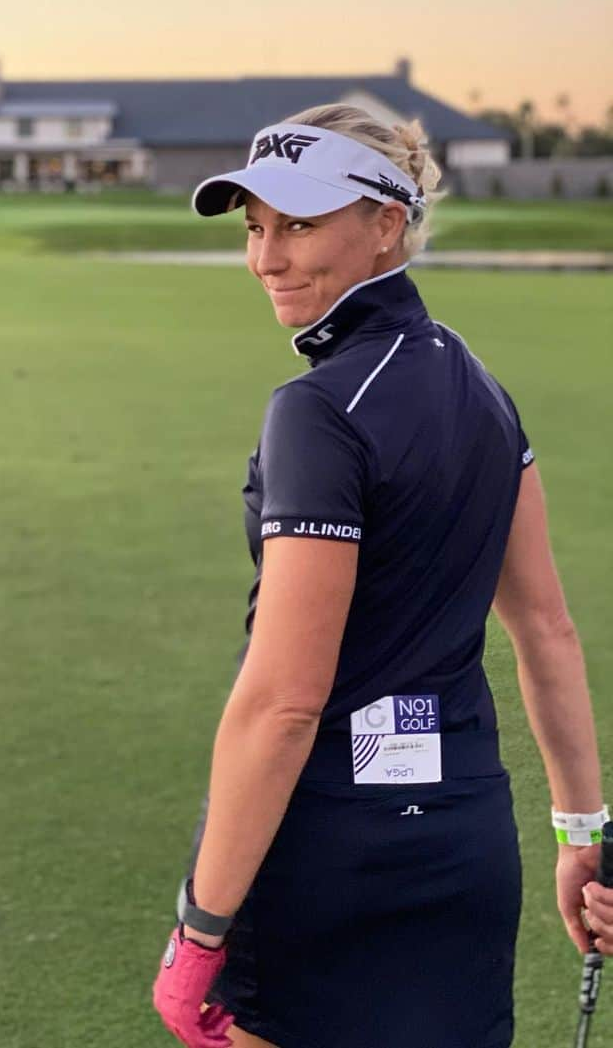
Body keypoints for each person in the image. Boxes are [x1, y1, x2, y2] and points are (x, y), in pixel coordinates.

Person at [150, 103, 610, 1048]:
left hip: (328, 856)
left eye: (300, 223)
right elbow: (549, 634)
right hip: (466, 846)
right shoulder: (486, 392)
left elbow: (283, 701)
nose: (267, 257)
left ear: (386, 224)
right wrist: (581, 836)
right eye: (255, 227)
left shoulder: (317, 410)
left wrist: (198, 932)